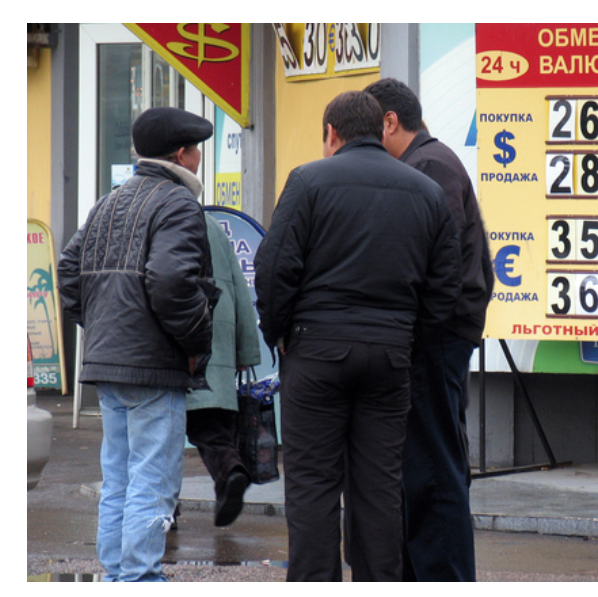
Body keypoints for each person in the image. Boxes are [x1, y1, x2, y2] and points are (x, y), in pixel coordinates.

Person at [253, 90, 461, 582]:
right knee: (379, 488)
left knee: (313, 486)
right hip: (390, 358)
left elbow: (274, 269)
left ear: (332, 133)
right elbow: (445, 285)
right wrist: (409, 340)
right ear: (379, 130)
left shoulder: (308, 181)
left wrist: (279, 333)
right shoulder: (425, 190)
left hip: (315, 352)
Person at [57, 107, 219, 582]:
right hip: (154, 364)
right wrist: (194, 344)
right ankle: (139, 578)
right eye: (196, 151)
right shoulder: (178, 203)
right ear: (181, 155)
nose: (199, 159)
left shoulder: (108, 203)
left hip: (109, 361)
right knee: (153, 479)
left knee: (120, 478)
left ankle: (116, 576)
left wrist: (98, 325)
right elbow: (170, 281)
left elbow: (69, 270)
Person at [365, 78, 495, 582]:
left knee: (434, 466)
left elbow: (437, 262)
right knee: (427, 462)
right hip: (441, 332)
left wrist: (417, 329)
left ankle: (444, 577)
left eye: (368, 131)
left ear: (390, 122)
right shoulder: (428, 162)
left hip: (437, 337)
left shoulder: (430, 166)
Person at [185, 213, 261, 527]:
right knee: (215, 419)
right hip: (221, 339)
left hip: (186, 340)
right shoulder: (214, 227)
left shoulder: (163, 218)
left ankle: (229, 471)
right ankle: (228, 482)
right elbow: (241, 290)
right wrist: (246, 351)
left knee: (184, 426)